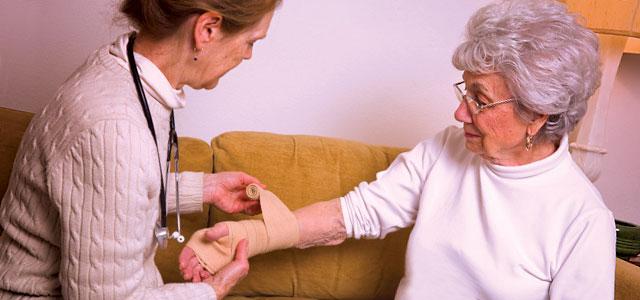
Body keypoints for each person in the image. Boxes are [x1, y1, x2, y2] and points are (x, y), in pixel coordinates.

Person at [180, 0, 616, 299]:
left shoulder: (581, 220)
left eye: (480, 100)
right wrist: (245, 236)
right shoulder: (450, 150)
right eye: (466, 90)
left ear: (538, 113)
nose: (460, 113)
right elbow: (354, 214)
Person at [0, 0, 281, 299]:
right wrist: (210, 291)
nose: (248, 55)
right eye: (250, 41)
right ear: (207, 29)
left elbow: (97, 195)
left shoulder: (120, 69)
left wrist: (205, 189)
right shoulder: (114, 128)